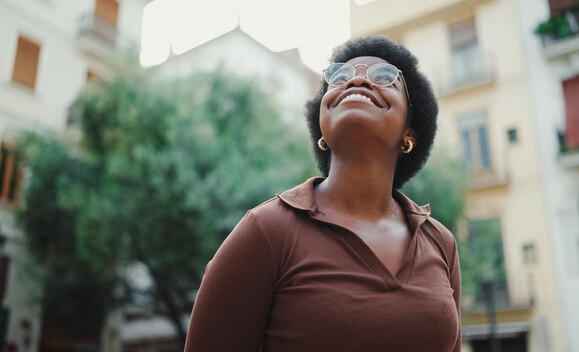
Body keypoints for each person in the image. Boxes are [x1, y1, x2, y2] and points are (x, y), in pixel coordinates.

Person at [184, 35, 461, 352]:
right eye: (339, 77)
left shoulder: (440, 242)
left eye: (384, 77)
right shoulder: (267, 231)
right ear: (322, 126)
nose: (357, 79)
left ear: (409, 133)